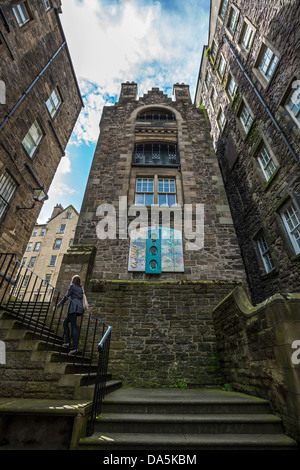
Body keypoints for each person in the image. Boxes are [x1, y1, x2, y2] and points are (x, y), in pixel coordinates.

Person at [55, 275, 84, 355]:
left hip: (73, 307)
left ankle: (75, 348)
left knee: (73, 326)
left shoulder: (72, 286)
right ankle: (67, 341)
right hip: (79, 308)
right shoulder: (81, 288)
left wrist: (58, 305)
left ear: (73, 280)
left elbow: (66, 296)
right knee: (65, 323)